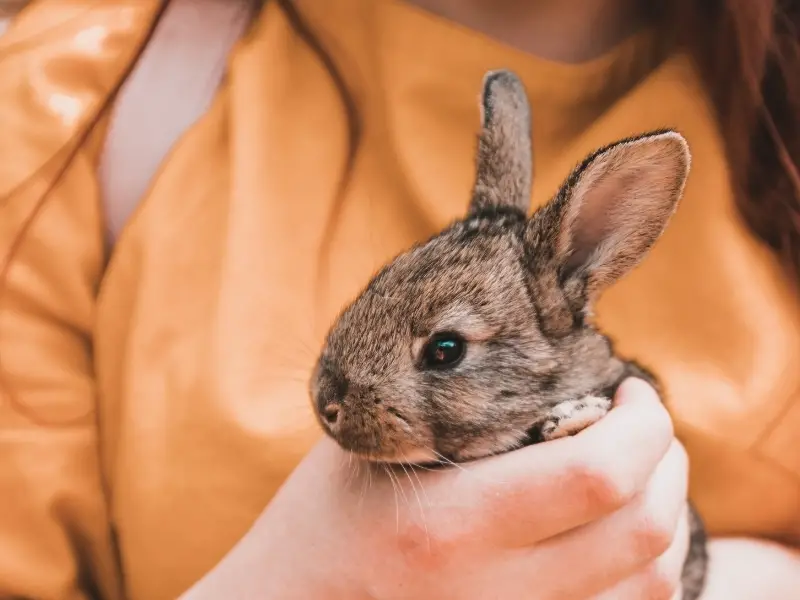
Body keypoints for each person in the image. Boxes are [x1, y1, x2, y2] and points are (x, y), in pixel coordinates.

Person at [0, 0, 798, 598]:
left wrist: (711, 572)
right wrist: (303, 578)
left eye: (443, 353)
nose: (330, 403)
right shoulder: (80, 99)